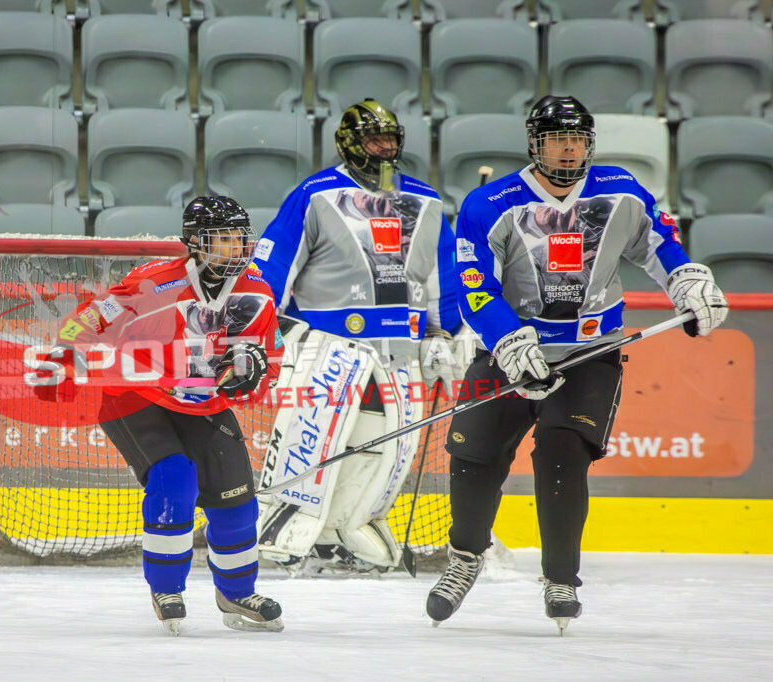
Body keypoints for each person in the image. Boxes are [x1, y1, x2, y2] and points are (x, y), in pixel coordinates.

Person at [426, 95, 729, 633]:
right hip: (507, 351)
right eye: (556, 140)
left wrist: (687, 279)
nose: (568, 150)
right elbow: (475, 288)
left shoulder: (621, 190)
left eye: (576, 139)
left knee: (563, 452)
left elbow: (659, 245)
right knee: (474, 452)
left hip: (589, 352)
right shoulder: (489, 203)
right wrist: (509, 342)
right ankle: (465, 557)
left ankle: (561, 578)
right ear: (534, 144)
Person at [36, 196, 285, 635]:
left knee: (237, 501)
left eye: (240, 238)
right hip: (135, 397)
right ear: (196, 242)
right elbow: (89, 319)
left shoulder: (258, 293)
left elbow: (272, 357)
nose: (237, 247)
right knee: (174, 478)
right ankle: (167, 588)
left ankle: (237, 591)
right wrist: (65, 353)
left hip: (203, 405)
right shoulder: (153, 283)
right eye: (224, 239)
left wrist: (254, 372)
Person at [251, 98, 464, 574]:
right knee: (312, 441)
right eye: (374, 140)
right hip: (326, 344)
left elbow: (443, 275)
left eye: (390, 140)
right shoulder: (316, 194)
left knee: (386, 448)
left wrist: (441, 333)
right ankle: (284, 527)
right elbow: (274, 263)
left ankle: (350, 530)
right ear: (350, 143)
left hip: (400, 349)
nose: (385, 149)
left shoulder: (426, 201)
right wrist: (266, 327)